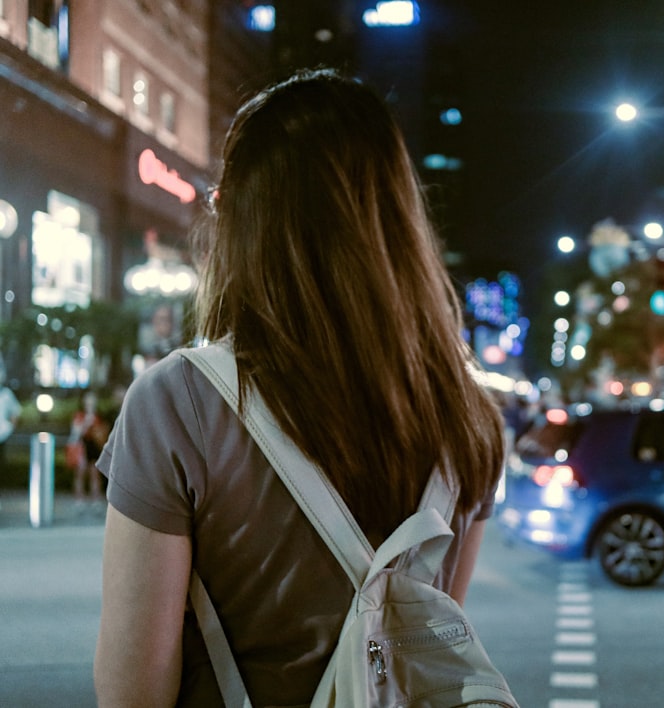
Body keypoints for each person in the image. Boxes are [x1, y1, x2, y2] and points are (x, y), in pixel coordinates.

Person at [93, 68, 507, 706]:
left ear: (239, 220)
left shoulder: (178, 404)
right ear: (395, 218)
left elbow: (132, 692)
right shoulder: (468, 417)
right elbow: (420, 643)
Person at [67, 390, 108, 511]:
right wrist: (86, 423)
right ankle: (79, 498)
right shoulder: (79, 415)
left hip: (93, 447)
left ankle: (96, 498)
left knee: (94, 473)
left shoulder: (98, 416)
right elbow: (76, 432)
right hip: (82, 447)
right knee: (80, 473)